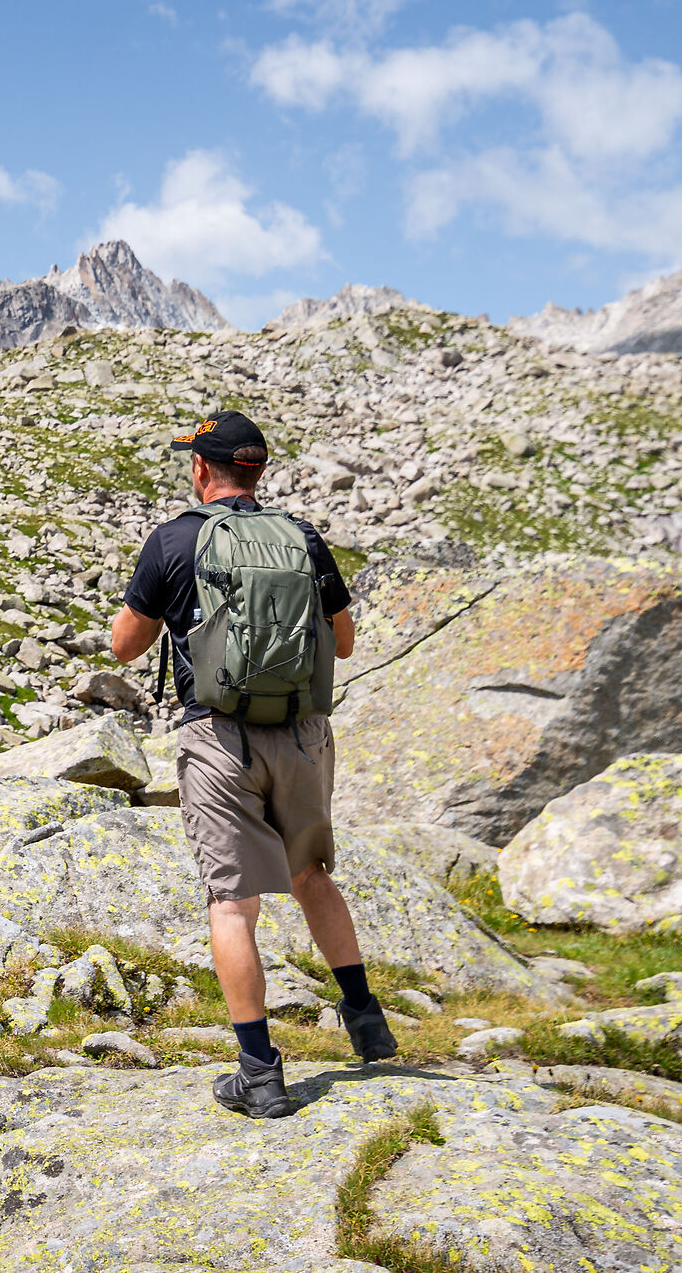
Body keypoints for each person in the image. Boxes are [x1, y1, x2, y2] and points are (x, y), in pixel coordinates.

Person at [110, 408, 396, 1119]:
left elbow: (123, 646)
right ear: (258, 470)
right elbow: (347, 641)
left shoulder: (175, 539)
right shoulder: (301, 537)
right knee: (311, 877)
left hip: (218, 738)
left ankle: (260, 1073)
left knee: (233, 904)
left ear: (202, 468)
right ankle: (365, 1018)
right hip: (301, 734)